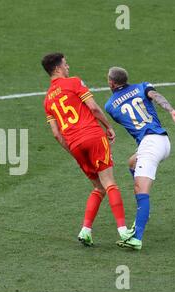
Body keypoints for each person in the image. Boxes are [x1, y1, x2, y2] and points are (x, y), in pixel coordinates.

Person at [41, 53, 133, 246]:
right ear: (57, 68)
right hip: (92, 136)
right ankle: (124, 232)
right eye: (65, 64)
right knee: (109, 183)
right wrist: (108, 126)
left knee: (98, 187)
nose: (68, 66)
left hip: (75, 145)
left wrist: (73, 151)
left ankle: (85, 231)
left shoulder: (47, 100)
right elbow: (93, 108)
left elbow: (57, 134)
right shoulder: (73, 82)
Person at [105, 67, 175, 250]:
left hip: (149, 145)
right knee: (132, 162)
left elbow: (126, 119)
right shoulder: (143, 86)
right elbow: (156, 97)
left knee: (141, 189)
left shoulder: (110, 106)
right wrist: (171, 111)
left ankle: (136, 237)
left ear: (112, 83)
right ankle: (143, 209)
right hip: (163, 141)